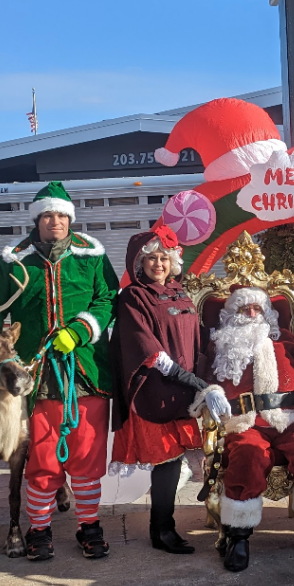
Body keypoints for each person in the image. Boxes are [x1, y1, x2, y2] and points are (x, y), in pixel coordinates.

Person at [0, 181, 118, 561]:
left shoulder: (90, 254)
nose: (54, 221)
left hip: (85, 371)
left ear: (68, 219)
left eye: (60, 215)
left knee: (87, 456)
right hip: (35, 375)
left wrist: (81, 329)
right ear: (37, 219)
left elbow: (108, 297)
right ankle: (39, 528)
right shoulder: (14, 259)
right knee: (41, 459)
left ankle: (88, 525)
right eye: (47, 215)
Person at [195, 287, 294, 572]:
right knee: (247, 456)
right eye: (244, 309)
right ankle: (238, 537)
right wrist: (209, 391)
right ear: (231, 314)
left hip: (288, 418)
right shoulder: (219, 344)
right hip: (244, 421)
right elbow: (203, 379)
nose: (251, 314)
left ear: (266, 313)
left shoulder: (286, 340)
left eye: (256, 309)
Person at [110, 225, 205, 555]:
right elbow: (144, 347)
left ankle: (166, 525)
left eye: (163, 257)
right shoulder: (133, 297)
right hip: (157, 391)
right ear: (139, 263)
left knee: (178, 461)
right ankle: (161, 530)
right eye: (150, 258)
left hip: (185, 393)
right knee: (166, 461)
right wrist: (184, 376)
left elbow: (197, 339)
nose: (158, 264)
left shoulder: (182, 294)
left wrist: (204, 377)